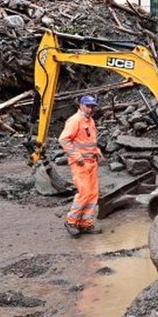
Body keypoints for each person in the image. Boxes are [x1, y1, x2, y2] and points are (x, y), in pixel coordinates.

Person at [58, 95, 103, 236]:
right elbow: (64, 140)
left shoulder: (90, 121)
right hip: (80, 163)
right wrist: (77, 157)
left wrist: (97, 151)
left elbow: (90, 140)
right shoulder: (75, 120)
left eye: (92, 107)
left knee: (93, 194)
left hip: (91, 162)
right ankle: (71, 221)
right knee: (84, 193)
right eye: (88, 106)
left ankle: (85, 223)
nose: (91, 109)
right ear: (81, 106)